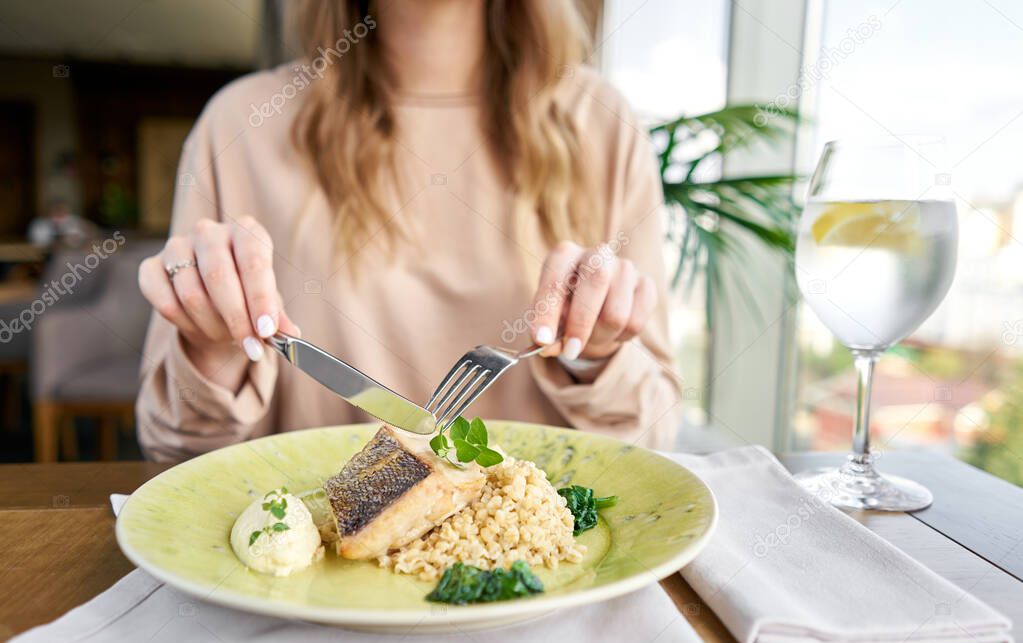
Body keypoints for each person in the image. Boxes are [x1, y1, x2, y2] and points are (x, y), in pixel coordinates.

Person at [135, 0, 681, 463]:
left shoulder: (603, 125)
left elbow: (653, 437)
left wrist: (596, 357)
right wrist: (211, 349)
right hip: (311, 577)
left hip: (545, 573)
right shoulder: (239, 125)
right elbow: (172, 450)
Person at [27, 198, 96, 249]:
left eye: (63, 211)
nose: (60, 214)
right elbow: (37, 241)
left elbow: (87, 236)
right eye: (56, 211)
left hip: (74, 256)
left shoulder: (75, 221)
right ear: (48, 212)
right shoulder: (40, 224)